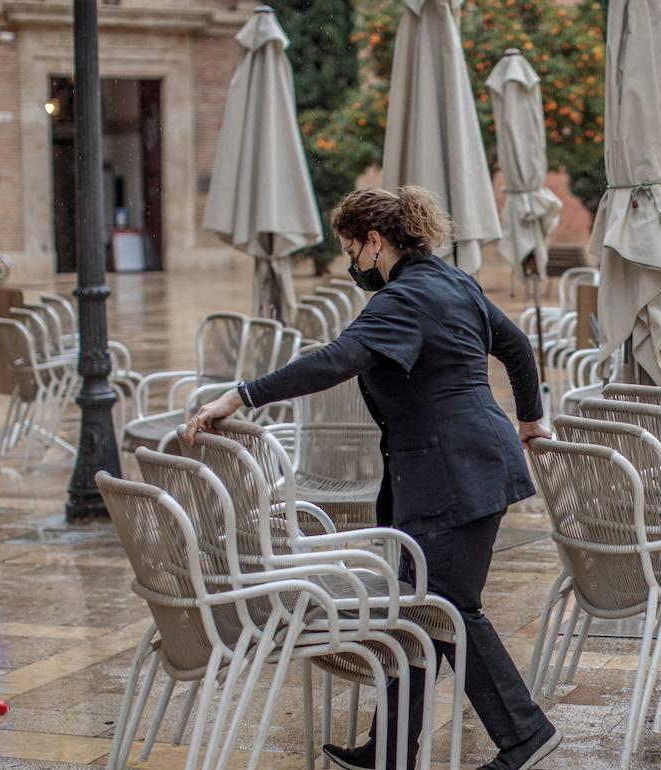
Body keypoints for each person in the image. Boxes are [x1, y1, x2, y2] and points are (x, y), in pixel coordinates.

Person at [182, 186, 560, 770]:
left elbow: (334, 360)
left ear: (374, 241)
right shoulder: (453, 281)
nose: (350, 262)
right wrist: (529, 418)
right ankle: (389, 748)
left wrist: (242, 395)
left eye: (349, 248)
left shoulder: (403, 299)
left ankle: (525, 734)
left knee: (447, 608)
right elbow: (515, 346)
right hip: (462, 464)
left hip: (453, 472)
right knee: (415, 607)